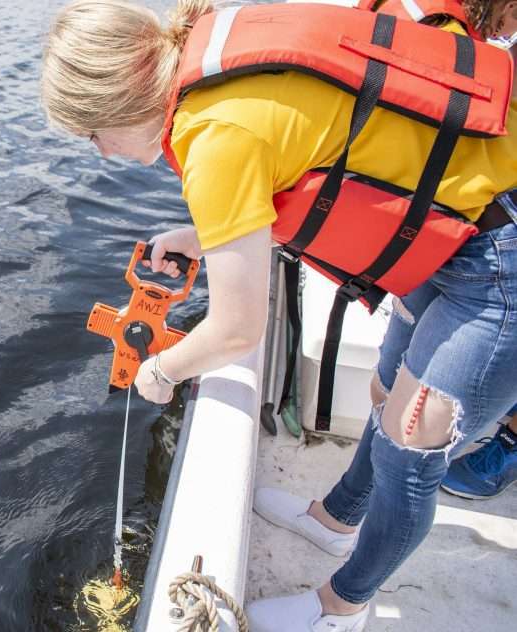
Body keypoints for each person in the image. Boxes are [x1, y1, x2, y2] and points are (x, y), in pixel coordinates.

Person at [41, 1, 517, 631]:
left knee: (411, 444)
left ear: (118, 101)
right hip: (453, 233)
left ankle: (341, 608)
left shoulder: (215, 140)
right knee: (384, 384)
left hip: (497, 264)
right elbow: (304, 159)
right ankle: (336, 520)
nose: (101, 154)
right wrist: (201, 234)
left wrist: (162, 370)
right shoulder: (209, 73)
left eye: (92, 136)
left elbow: (237, 329)